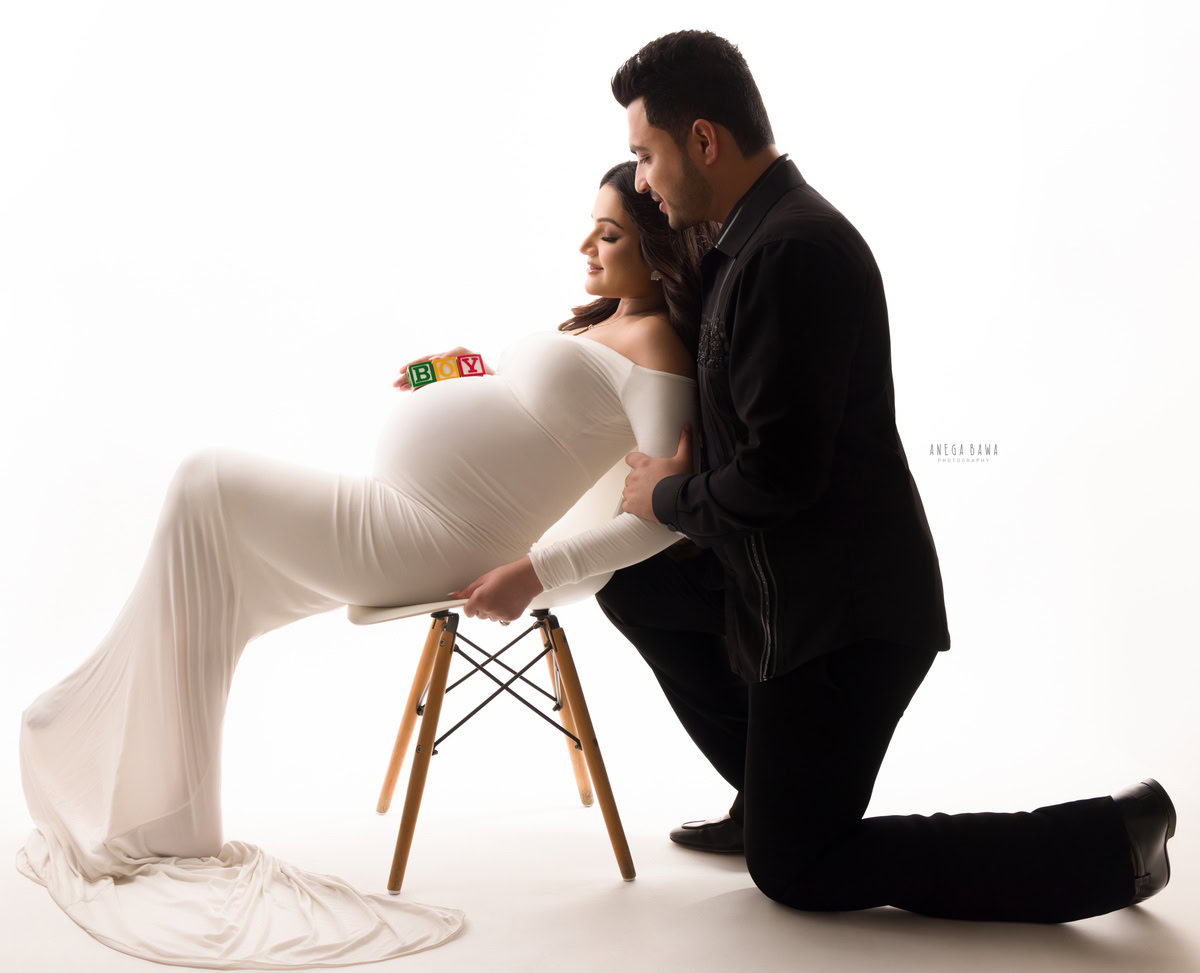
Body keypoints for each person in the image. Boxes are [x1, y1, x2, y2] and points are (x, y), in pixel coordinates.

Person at [15, 160, 717, 968]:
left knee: (204, 484)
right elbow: (530, 416)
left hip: (434, 537)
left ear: (659, 248)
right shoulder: (606, 321)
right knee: (210, 551)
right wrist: (447, 374)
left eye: (610, 233)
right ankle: (163, 803)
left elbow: (658, 519)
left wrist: (534, 574)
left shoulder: (659, 349)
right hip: (409, 511)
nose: (586, 245)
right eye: (590, 225)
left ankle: (133, 772)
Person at [563, 29, 1175, 924]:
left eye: (644, 156)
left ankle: (1109, 844)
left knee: (799, 871)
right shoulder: (748, 243)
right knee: (641, 589)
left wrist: (666, 494)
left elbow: (780, 476)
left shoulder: (790, 249)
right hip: (789, 592)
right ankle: (774, 796)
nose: (644, 180)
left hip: (843, 621)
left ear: (703, 140)